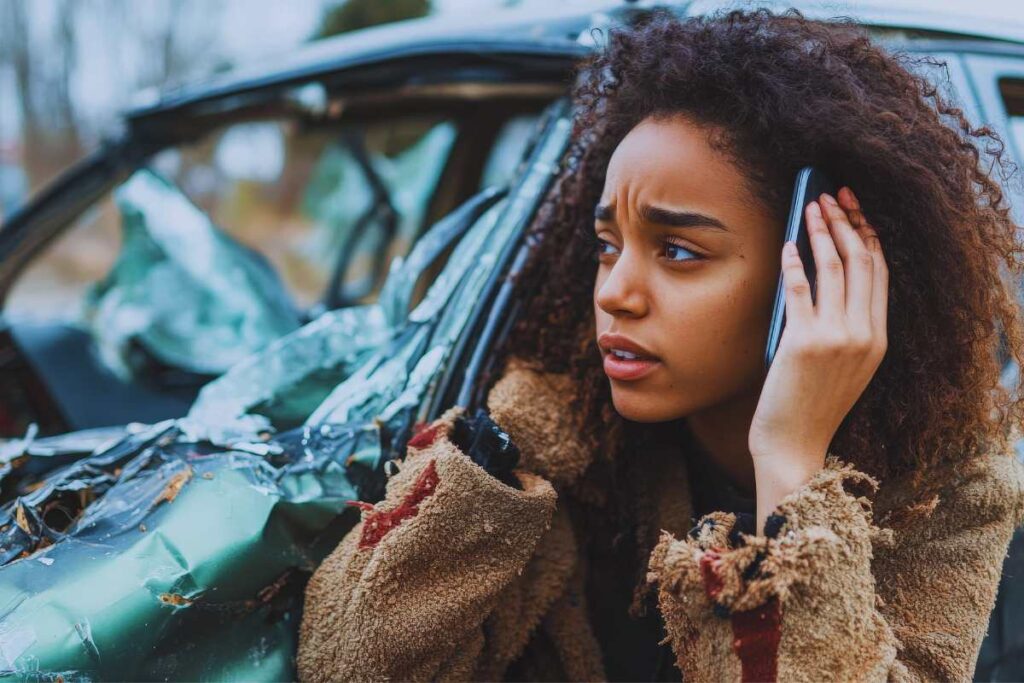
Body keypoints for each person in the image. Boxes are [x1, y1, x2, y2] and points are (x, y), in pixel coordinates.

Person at [297, 8, 1024, 681]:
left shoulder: (945, 492)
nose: (615, 291)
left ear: (813, 267)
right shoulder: (544, 436)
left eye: (677, 251)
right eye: (608, 245)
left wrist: (790, 470)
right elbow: (347, 665)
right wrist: (482, 475)